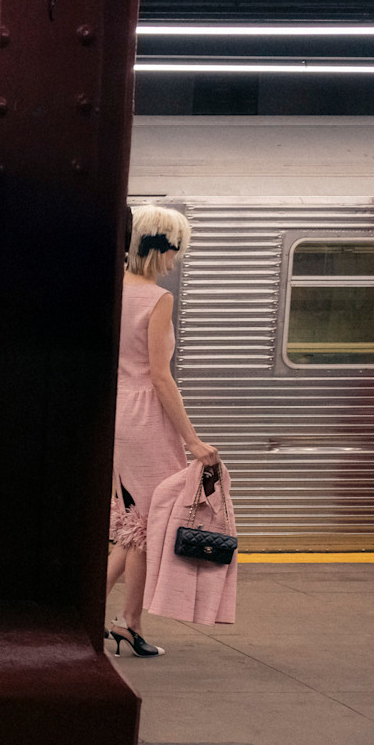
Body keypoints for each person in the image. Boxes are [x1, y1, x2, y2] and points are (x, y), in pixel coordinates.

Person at [105, 205, 219, 659]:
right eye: (176, 249)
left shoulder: (111, 291)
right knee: (151, 523)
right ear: (158, 248)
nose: (177, 259)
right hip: (146, 416)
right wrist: (191, 439)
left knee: (135, 525)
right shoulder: (157, 299)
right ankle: (129, 622)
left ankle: (94, 615)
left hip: (118, 413)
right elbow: (159, 375)